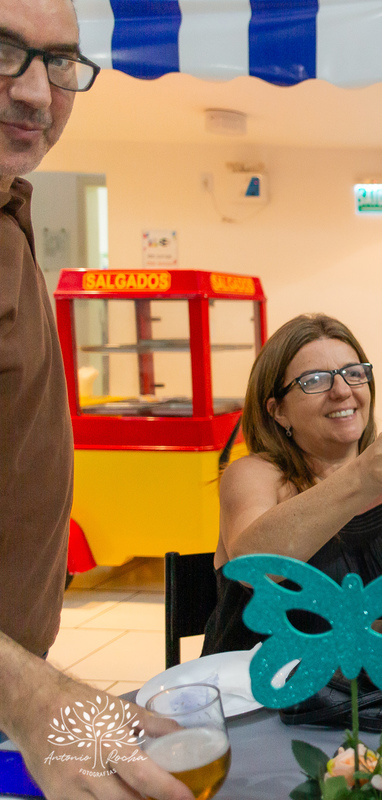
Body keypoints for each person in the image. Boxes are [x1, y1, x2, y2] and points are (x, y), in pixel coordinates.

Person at [0, 1, 193, 797]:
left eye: (60, 63)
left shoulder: (12, 213)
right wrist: (34, 697)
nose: (38, 93)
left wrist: (32, 693)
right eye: (5, 51)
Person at [203, 313, 382, 653]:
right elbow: (252, 569)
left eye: (353, 373)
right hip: (267, 694)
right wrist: (362, 476)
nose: (342, 391)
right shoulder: (255, 475)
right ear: (277, 410)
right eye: (314, 380)